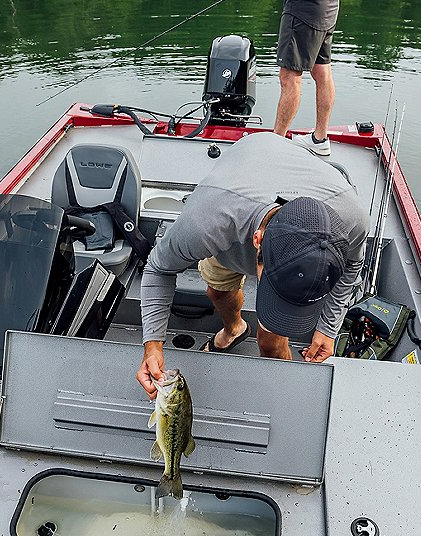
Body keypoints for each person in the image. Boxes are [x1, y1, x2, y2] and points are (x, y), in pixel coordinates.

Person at [136, 132, 369, 399]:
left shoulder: (352, 220)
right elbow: (159, 268)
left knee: (271, 342)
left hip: (279, 181)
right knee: (218, 292)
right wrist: (152, 346)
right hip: (236, 212)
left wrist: (328, 328)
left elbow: (353, 265)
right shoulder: (208, 224)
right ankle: (235, 328)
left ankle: (278, 397)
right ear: (257, 240)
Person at [273, 0, 340, 156]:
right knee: (322, 71)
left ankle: (276, 143)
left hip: (302, 11)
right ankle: (320, 139)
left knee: (289, 76)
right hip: (328, 8)